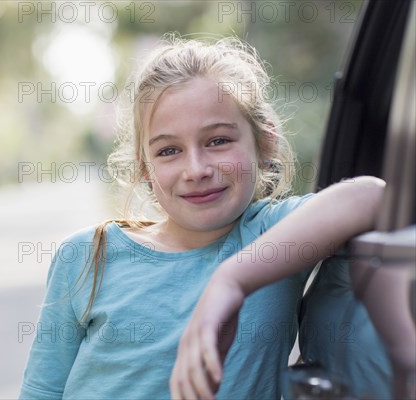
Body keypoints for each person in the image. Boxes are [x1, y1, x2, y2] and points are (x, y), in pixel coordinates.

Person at [19, 35, 385, 400]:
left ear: (265, 145)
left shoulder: (270, 239)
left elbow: (370, 196)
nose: (195, 169)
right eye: (169, 150)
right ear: (145, 168)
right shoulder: (88, 255)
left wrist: (232, 280)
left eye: (217, 141)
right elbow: (41, 391)